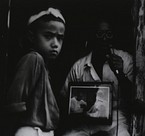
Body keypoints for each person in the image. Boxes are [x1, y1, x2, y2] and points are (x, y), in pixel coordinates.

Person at [60, 19, 134, 136]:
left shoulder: (125, 60)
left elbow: (134, 98)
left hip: (115, 119)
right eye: (99, 34)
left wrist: (120, 73)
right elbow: (64, 97)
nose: (104, 38)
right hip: (85, 121)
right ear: (92, 37)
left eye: (108, 34)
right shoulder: (79, 66)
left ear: (113, 37)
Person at [4, 7, 66, 136]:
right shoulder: (33, 59)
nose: (55, 43)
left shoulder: (44, 65)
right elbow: (15, 104)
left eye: (60, 38)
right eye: (48, 36)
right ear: (31, 36)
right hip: (31, 131)